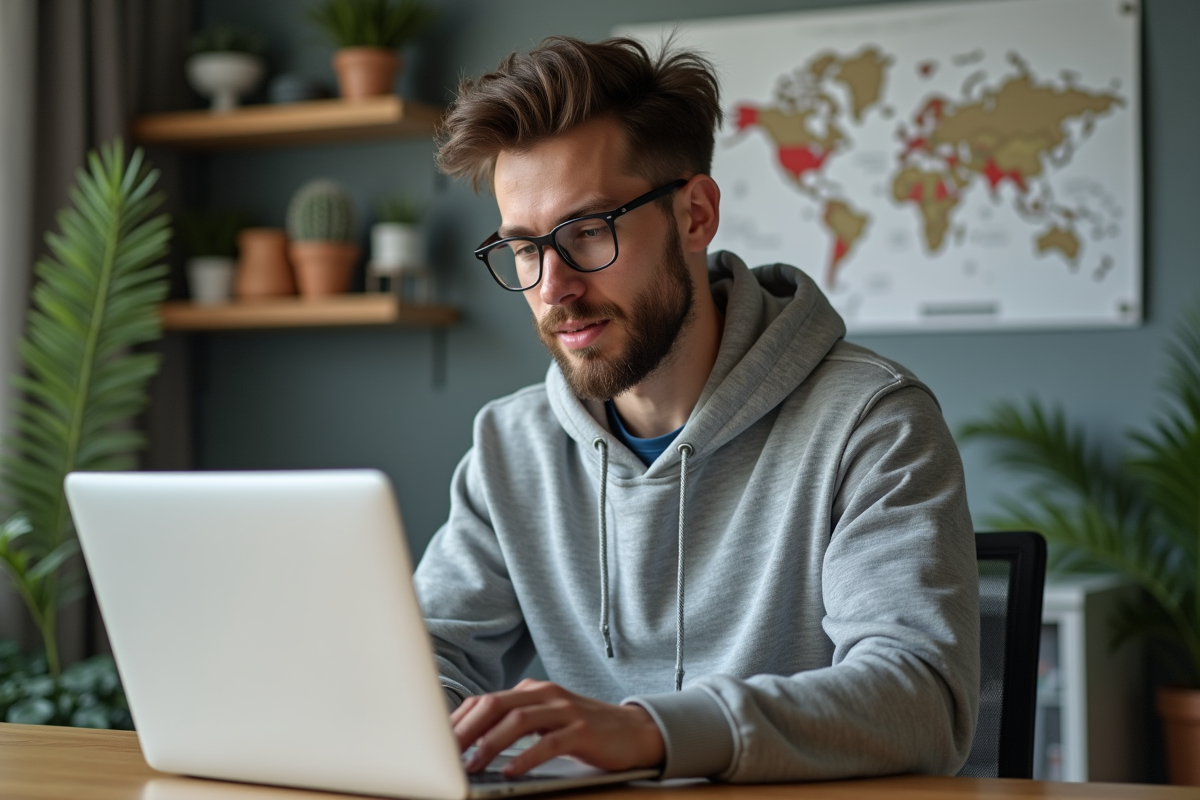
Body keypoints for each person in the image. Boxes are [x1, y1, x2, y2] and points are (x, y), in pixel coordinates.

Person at [415, 35, 980, 784]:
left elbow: (922, 699)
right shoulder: (510, 446)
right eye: (524, 249)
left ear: (695, 215)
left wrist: (650, 731)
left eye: (588, 232)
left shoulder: (871, 422)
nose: (553, 288)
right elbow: (426, 652)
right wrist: (427, 719)